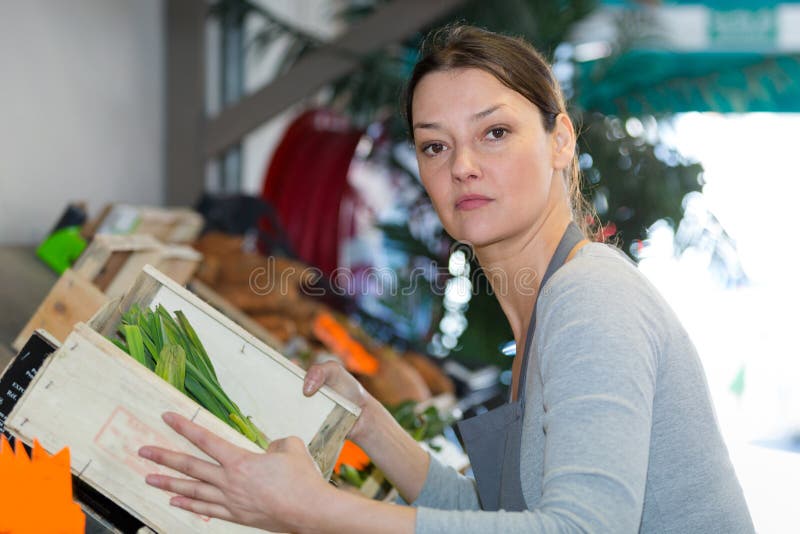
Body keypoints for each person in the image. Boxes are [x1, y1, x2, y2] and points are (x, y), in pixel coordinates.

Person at [138, 25, 755, 533]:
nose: (462, 166)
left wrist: (312, 507)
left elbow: (578, 530)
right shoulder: (541, 315)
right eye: (435, 146)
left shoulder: (591, 298)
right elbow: (498, 519)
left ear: (560, 139)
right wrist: (370, 424)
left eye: (495, 133)